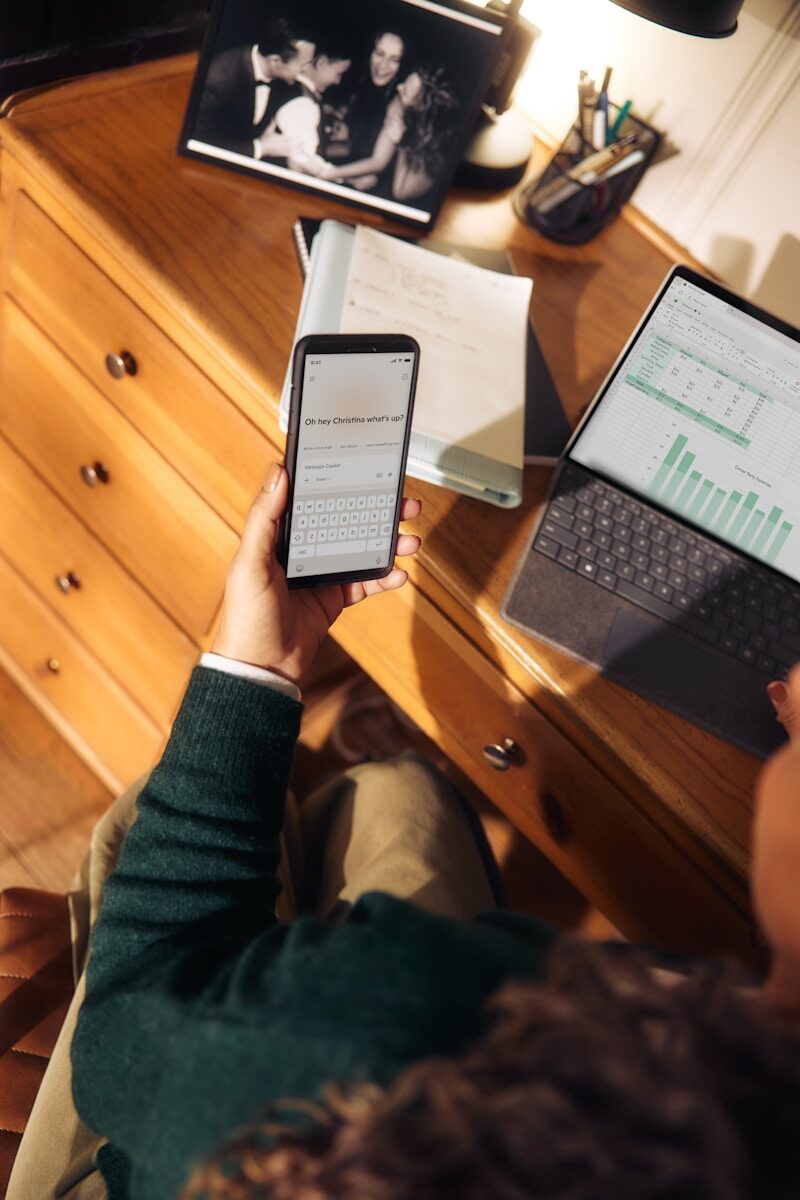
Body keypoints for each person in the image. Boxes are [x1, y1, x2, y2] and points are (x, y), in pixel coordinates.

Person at [8, 466, 800, 1200]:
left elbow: (127, 1035)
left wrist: (259, 663)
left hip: (183, 1153)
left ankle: (307, 788)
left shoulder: (402, 1044)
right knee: (398, 790)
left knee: (162, 810)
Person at [316, 66, 457, 203]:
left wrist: (402, 142)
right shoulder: (399, 103)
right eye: (404, 83)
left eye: (405, 92)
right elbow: (374, 157)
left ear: (421, 107)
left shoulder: (436, 147)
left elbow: (400, 192)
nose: (399, 87)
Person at [192, 17, 315, 161]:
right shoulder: (216, 82)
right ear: (275, 61)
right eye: (303, 65)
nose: (307, 70)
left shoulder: (285, 80)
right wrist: (261, 148)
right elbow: (198, 142)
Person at [264, 41, 353, 175]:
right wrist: (347, 178)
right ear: (322, 62)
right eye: (339, 73)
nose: (338, 81)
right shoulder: (303, 103)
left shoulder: (304, 95)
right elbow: (303, 160)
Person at [327, 30, 406, 165]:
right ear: (369, 53)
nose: (384, 65)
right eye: (379, 54)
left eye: (395, 59)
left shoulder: (399, 103)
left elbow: (377, 163)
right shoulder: (364, 86)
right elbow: (351, 148)